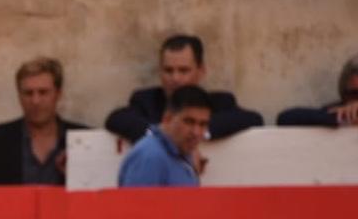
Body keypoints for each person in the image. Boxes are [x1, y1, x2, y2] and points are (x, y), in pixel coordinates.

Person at [0, 57, 87, 186]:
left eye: (43, 92)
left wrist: (77, 177)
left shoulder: (87, 140)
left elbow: (103, 197)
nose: (35, 101)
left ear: (58, 94)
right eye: (28, 93)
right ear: (19, 95)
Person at [105, 35, 262, 143]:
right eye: (168, 70)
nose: (175, 78)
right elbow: (116, 118)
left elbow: (253, 118)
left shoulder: (220, 102)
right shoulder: (146, 100)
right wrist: (162, 134)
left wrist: (195, 134)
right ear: (160, 71)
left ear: (201, 71)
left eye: (183, 70)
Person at [118, 85, 212, 187]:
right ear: (167, 118)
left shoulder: (182, 152)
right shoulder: (150, 156)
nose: (196, 132)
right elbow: (135, 203)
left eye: (203, 124)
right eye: (189, 122)